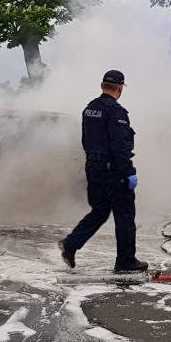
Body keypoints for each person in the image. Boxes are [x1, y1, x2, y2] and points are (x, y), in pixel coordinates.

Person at [59, 70, 149, 272]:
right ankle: (126, 261)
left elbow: (85, 140)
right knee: (125, 216)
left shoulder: (89, 109)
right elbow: (120, 146)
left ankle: (70, 244)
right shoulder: (116, 112)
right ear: (120, 89)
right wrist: (129, 171)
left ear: (102, 86)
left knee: (99, 211)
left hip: (93, 168)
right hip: (113, 172)